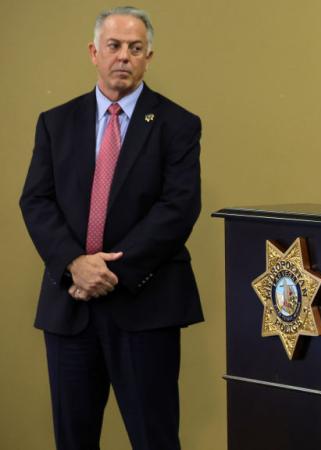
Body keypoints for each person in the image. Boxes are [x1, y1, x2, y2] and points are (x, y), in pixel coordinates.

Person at [19, 6, 203, 449]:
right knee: (73, 440)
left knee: (154, 438)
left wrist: (108, 271)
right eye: (114, 46)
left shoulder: (178, 124)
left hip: (146, 304)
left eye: (135, 48)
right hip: (71, 306)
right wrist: (74, 265)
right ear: (94, 52)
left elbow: (178, 208)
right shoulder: (55, 122)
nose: (124, 56)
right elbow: (36, 200)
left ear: (149, 56)